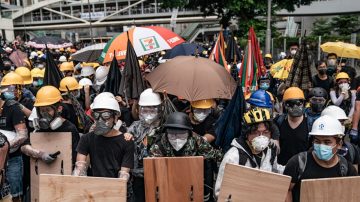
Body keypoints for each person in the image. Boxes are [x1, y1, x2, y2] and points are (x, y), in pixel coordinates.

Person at [149, 112, 222, 201]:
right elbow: (152, 171)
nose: (177, 139)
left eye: (182, 135)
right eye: (172, 135)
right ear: (166, 133)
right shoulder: (158, 146)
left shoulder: (196, 141)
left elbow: (214, 155)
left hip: (192, 179)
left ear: (189, 133)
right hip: (168, 181)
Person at [73, 92, 134, 199]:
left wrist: (116, 194)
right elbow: (80, 169)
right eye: (96, 115)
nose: (100, 120)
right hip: (95, 192)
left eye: (106, 116)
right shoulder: (87, 139)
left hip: (118, 193)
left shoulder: (126, 141)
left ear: (115, 117)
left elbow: (124, 175)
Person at [284, 115, 357, 202]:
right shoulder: (298, 163)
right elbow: (286, 190)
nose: (321, 146)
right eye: (317, 141)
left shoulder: (347, 169)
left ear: (339, 144)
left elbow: (353, 194)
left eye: (327, 142)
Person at [214, 108, 284, 197]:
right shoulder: (233, 157)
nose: (261, 137)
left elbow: (274, 170)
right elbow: (219, 192)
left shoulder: (270, 151)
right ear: (247, 133)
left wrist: (291, 169)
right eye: (256, 133)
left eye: (265, 132)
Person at [127, 88, 163, 202]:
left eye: (152, 111)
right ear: (139, 110)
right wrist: (127, 136)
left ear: (159, 110)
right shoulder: (135, 126)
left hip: (159, 173)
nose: (149, 114)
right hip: (138, 176)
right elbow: (127, 138)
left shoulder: (164, 127)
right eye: (145, 111)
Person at [0, 72, 28, 202]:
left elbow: (23, 134)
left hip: (12, 159)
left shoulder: (13, 108)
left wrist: (7, 145)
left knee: (14, 195)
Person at [189, 99, 218, 202]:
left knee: (204, 192)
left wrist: (189, 133)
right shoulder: (183, 119)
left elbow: (205, 140)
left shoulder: (212, 122)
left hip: (205, 162)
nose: (202, 113)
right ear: (192, 109)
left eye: (205, 110)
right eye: (199, 110)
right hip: (187, 161)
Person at [275, 87, 310, 165]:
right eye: (291, 103)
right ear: (284, 105)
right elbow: (270, 126)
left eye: (299, 103)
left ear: (303, 103)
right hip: (282, 166)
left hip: (302, 167)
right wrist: (275, 138)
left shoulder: (309, 123)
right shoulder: (279, 121)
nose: (295, 107)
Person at [321, 105, 360, 172]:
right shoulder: (316, 150)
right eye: (336, 122)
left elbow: (354, 179)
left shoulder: (352, 149)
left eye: (342, 122)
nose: (340, 126)